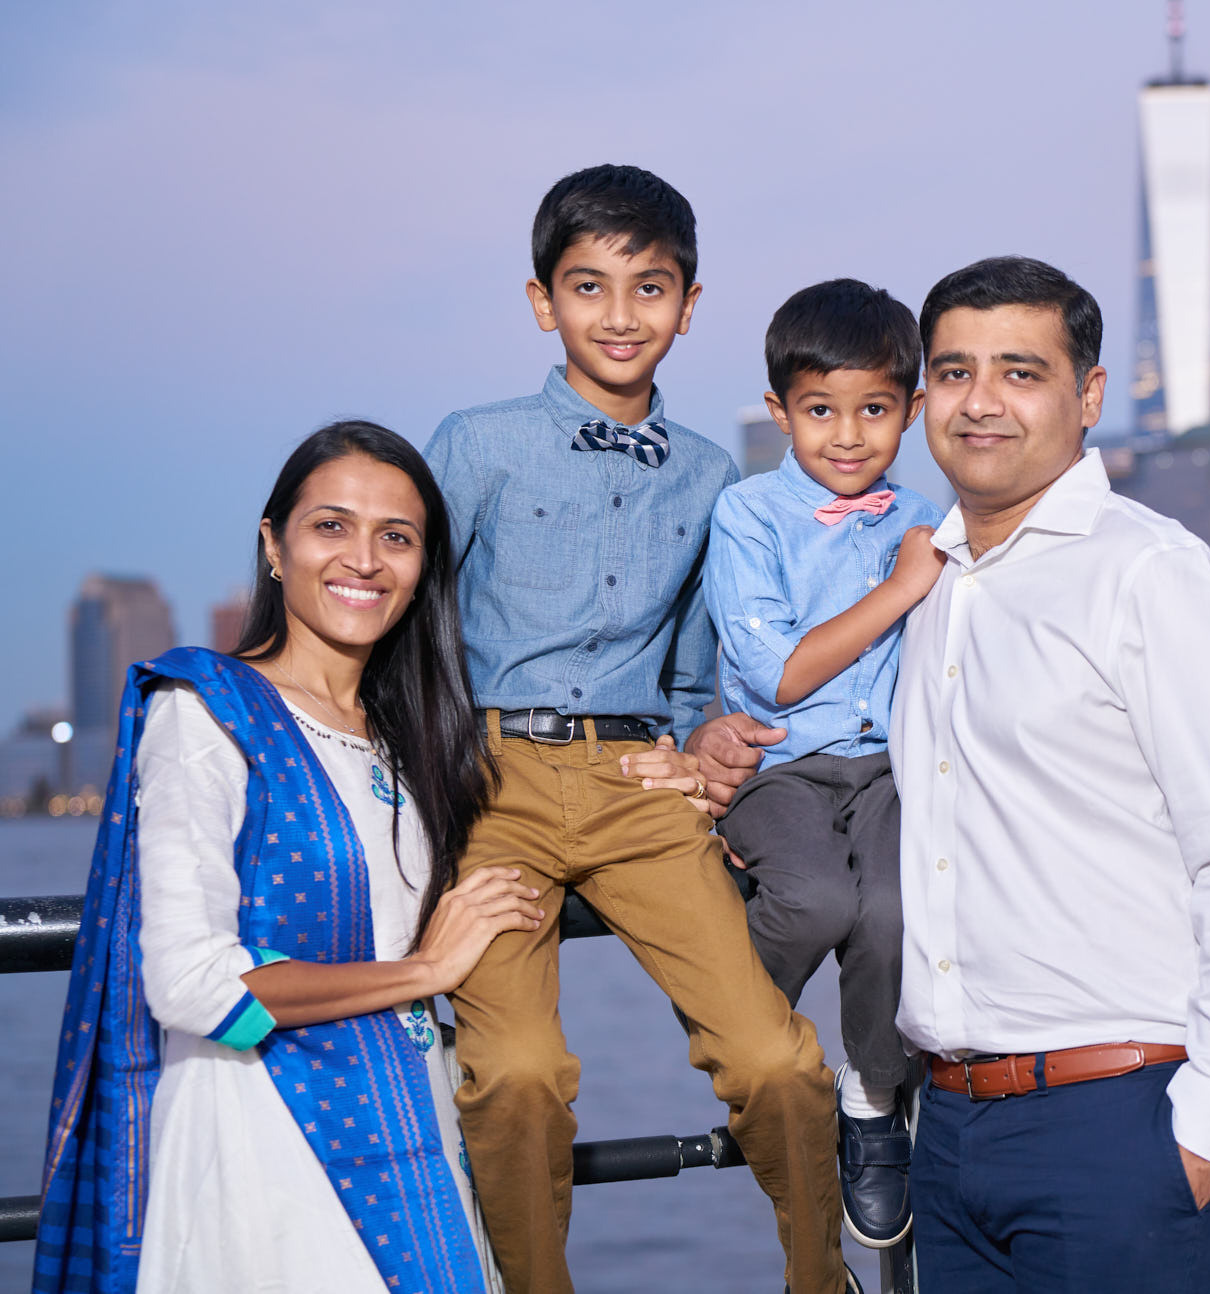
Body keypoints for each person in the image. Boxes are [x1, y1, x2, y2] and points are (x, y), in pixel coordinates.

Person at [421, 164, 844, 1294]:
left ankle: (825, 1277)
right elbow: (414, 620)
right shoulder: (476, 443)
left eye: (648, 288)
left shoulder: (713, 477)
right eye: (588, 285)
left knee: (776, 1057)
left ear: (688, 305)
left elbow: (700, 667)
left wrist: (701, 745)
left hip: (639, 787)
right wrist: (439, 764)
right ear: (540, 301)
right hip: (490, 780)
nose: (618, 315)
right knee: (513, 1070)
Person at [36, 420, 537, 1294]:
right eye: (331, 526)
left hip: (415, 1127)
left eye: (397, 537)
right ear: (274, 545)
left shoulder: (406, 738)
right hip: (266, 1158)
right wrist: (424, 970)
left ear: (424, 572)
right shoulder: (205, 713)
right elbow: (193, 984)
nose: (365, 560)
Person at [892, 256, 1210, 1291]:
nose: (979, 399)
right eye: (952, 371)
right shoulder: (924, 584)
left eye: (1019, 371)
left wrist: (1201, 1135)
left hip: (1116, 1124)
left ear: (1086, 395)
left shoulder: (1146, 574)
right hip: (944, 1130)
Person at [702, 279, 945, 1248]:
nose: (847, 434)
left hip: (889, 768)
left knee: (891, 910)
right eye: (818, 410)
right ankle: (746, 1049)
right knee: (813, 902)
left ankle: (872, 1098)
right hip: (779, 768)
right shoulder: (749, 514)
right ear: (779, 411)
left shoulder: (927, 511)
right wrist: (902, 584)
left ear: (911, 411)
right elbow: (784, 676)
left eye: (875, 409)